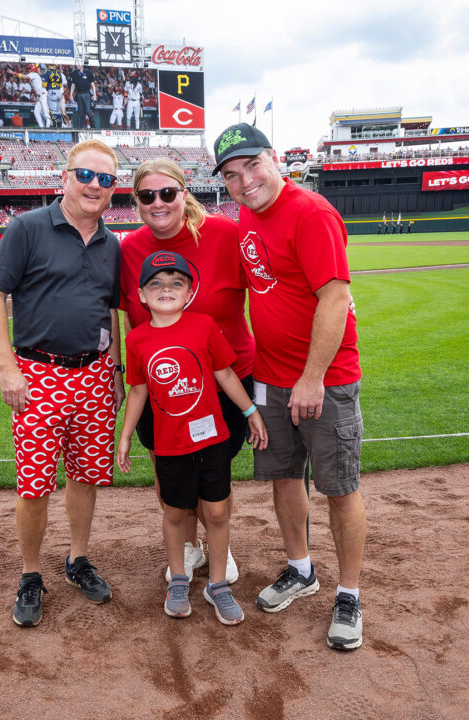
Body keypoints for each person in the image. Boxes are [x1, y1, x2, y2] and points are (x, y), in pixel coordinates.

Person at [213, 123, 366, 651]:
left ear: (275, 159)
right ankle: (301, 570)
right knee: (283, 478)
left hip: (323, 380)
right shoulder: (248, 214)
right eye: (231, 175)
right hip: (271, 379)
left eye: (252, 166)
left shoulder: (311, 212)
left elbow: (334, 297)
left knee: (339, 488)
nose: (244, 181)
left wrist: (312, 377)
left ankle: (349, 594)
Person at [0, 139, 125, 628]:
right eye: (86, 175)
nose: (94, 186)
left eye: (105, 180)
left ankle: (77, 559)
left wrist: (118, 371)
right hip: (38, 373)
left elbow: (111, 311)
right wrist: (6, 367)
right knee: (35, 484)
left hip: (96, 374)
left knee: (87, 476)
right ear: (65, 177)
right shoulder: (28, 228)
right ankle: (29, 574)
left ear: (112, 191)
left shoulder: (112, 244)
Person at [120, 157, 255, 585]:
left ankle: (218, 546)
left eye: (167, 193)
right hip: (163, 384)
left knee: (214, 467)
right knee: (170, 466)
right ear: (137, 201)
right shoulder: (129, 248)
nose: (158, 203)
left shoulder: (225, 234)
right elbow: (126, 314)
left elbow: (272, 283)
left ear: (184, 191)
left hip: (226, 375)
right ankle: (190, 548)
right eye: (147, 196)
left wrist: (335, 301)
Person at [117, 250, 267, 625]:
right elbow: (137, 391)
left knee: (216, 511)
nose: (166, 289)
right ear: (141, 295)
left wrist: (250, 412)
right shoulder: (136, 340)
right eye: (156, 284)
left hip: (212, 439)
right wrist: (125, 437)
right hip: (170, 445)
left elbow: (226, 374)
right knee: (174, 511)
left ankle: (218, 585)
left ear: (189, 292)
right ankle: (179, 580)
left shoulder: (203, 326)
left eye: (176, 283)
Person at [69, 63, 97, 130]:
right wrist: (71, 94)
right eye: (76, 64)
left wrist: (94, 94)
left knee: (88, 110)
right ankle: (83, 128)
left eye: (79, 64)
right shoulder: (74, 74)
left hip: (87, 94)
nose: (77, 65)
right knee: (81, 112)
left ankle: (94, 127)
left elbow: (92, 84)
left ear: (82, 65)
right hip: (79, 94)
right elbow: (73, 84)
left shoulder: (88, 72)